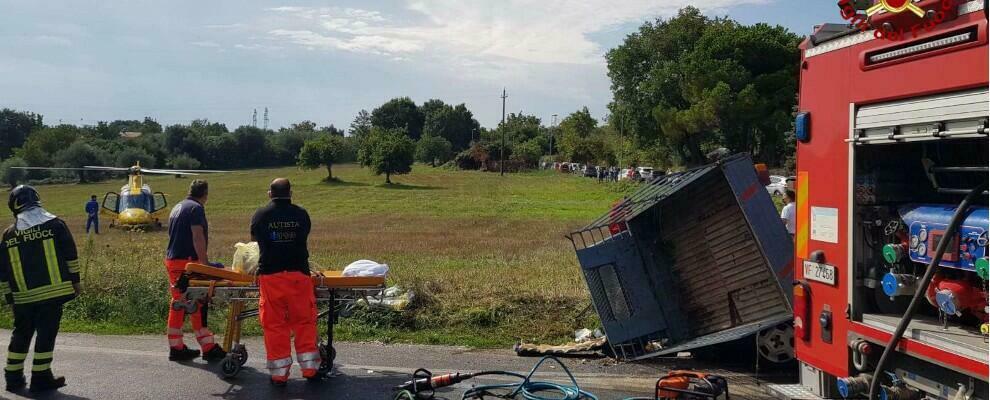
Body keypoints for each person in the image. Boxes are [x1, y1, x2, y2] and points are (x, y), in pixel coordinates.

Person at [0, 185, 81, 393]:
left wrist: (9, 296)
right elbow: (70, 254)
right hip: (52, 294)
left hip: (22, 297)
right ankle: (41, 378)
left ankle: (13, 378)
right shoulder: (55, 225)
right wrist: (75, 281)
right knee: (45, 336)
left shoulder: (8, 235)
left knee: (21, 334)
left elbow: (3, 270)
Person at [250, 178, 318, 386]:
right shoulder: (301, 214)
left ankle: (279, 374)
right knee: (304, 322)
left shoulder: (261, 215)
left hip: (271, 277)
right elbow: (304, 235)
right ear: (291, 193)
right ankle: (310, 370)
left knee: (274, 325)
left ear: (269, 193)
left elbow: (254, 239)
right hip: (299, 276)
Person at [163, 180, 226, 362]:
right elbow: (197, 235)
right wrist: (205, 263)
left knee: (184, 301)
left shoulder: (178, 206)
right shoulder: (196, 208)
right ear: (204, 193)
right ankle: (200, 347)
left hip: (174, 260)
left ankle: (185, 346)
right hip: (187, 262)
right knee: (191, 301)